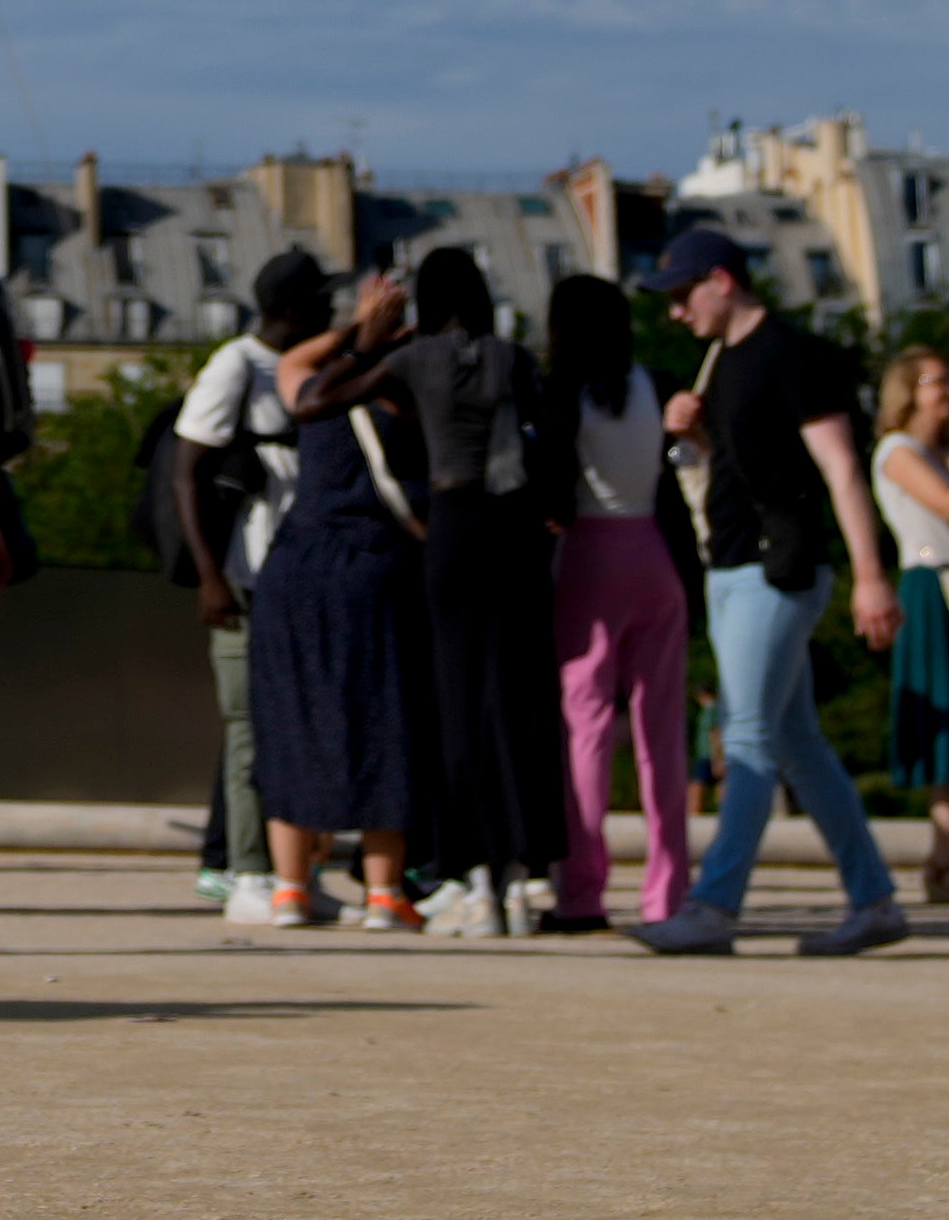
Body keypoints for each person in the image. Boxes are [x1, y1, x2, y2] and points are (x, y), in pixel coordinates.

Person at [634, 226, 906, 957]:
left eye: (683, 294)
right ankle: (873, 898)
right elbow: (743, 467)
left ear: (721, 280)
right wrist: (691, 438)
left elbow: (841, 468)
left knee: (747, 736)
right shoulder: (719, 362)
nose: (676, 312)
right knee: (796, 742)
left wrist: (871, 576)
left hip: (776, 567)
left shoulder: (793, 355)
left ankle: (713, 907)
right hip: (731, 565)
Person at [237, 252, 430, 941]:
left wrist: (355, 328)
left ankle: (291, 886)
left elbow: (293, 363)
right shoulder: (404, 391)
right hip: (378, 562)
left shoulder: (316, 384)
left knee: (291, 717)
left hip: (298, 562)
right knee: (385, 718)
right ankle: (383, 893)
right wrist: (390, 336)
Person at [392, 246, 561, 940]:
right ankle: (521, 870)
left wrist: (367, 336)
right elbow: (546, 437)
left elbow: (314, 396)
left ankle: (469, 875)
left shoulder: (416, 359)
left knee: (457, 702)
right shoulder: (511, 357)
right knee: (516, 700)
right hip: (515, 528)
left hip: (454, 523)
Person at [536, 269, 694, 934]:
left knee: (586, 724)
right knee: (662, 731)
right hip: (654, 549)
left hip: (587, 551)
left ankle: (581, 889)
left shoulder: (562, 390)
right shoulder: (653, 383)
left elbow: (548, 487)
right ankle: (668, 891)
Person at [162, 259, 305, 915]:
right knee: (248, 725)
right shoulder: (237, 362)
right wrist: (209, 574)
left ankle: (285, 869)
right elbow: (185, 470)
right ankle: (244, 868)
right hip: (245, 574)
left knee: (288, 726)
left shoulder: (299, 362)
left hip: (296, 571)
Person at [868, 346, 949, 909]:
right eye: (934, 382)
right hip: (930, 587)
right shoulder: (898, 451)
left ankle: (947, 859)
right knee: (946, 726)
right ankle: (943, 862)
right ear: (907, 391)